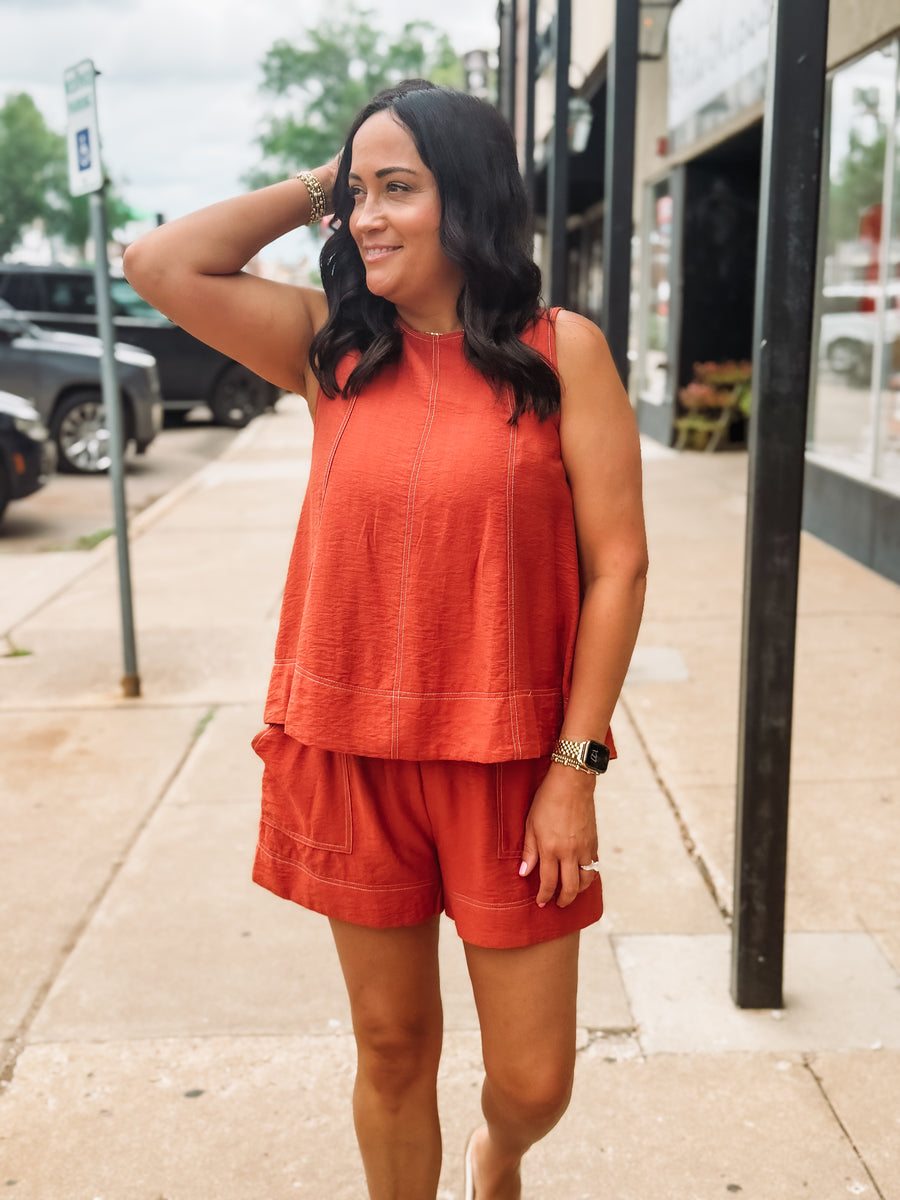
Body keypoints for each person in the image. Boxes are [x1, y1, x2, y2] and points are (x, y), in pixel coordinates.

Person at [124, 78, 648, 1200]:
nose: (365, 217)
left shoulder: (566, 354)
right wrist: (330, 172)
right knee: (395, 1049)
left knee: (536, 1077)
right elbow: (159, 264)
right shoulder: (330, 350)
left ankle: (496, 1157)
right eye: (355, 196)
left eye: (396, 189)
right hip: (352, 753)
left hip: (511, 767)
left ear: (469, 199)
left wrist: (576, 765)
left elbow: (618, 568)